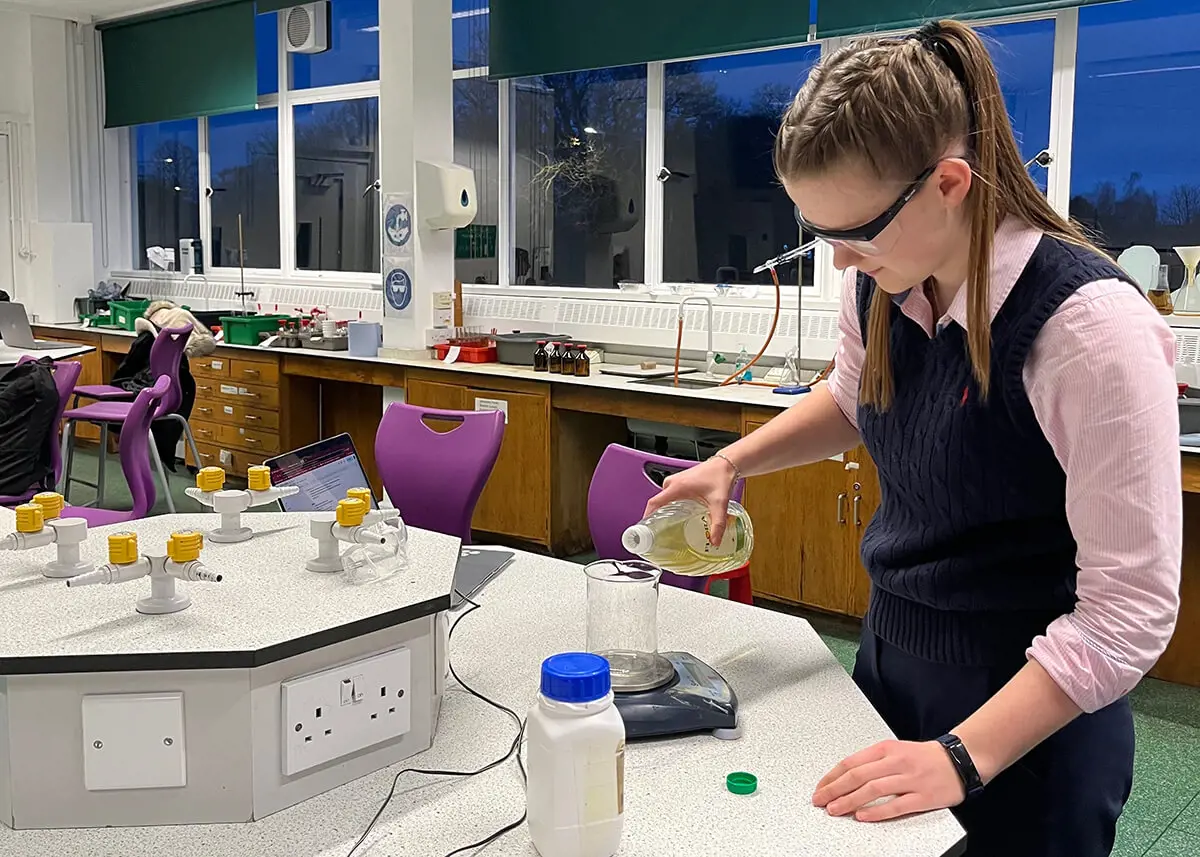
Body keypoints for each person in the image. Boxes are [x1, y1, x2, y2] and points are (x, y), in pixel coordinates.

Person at [645, 19, 1181, 857]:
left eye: (857, 235)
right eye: (821, 237)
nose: (843, 263)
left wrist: (963, 758)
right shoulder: (883, 288)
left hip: (1030, 710)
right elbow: (854, 400)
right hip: (892, 659)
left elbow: (1128, 616)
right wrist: (730, 461)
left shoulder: (1087, 328)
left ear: (950, 183)